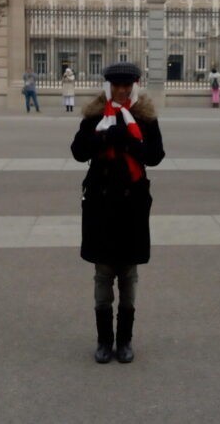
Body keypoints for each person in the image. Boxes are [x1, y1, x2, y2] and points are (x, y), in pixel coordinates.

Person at [70, 62, 165, 365]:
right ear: (108, 86)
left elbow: (156, 155)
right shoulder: (96, 115)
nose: (121, 91)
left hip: (132, 205)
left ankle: (124, 341)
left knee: (128, 275)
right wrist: (104, 137)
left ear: (135, 85)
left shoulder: (145, 117)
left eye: (127, 86)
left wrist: (130, 141)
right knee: (102, 275)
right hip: (101, 203)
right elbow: (78, 151)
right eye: (116, 86)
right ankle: (103, 341)